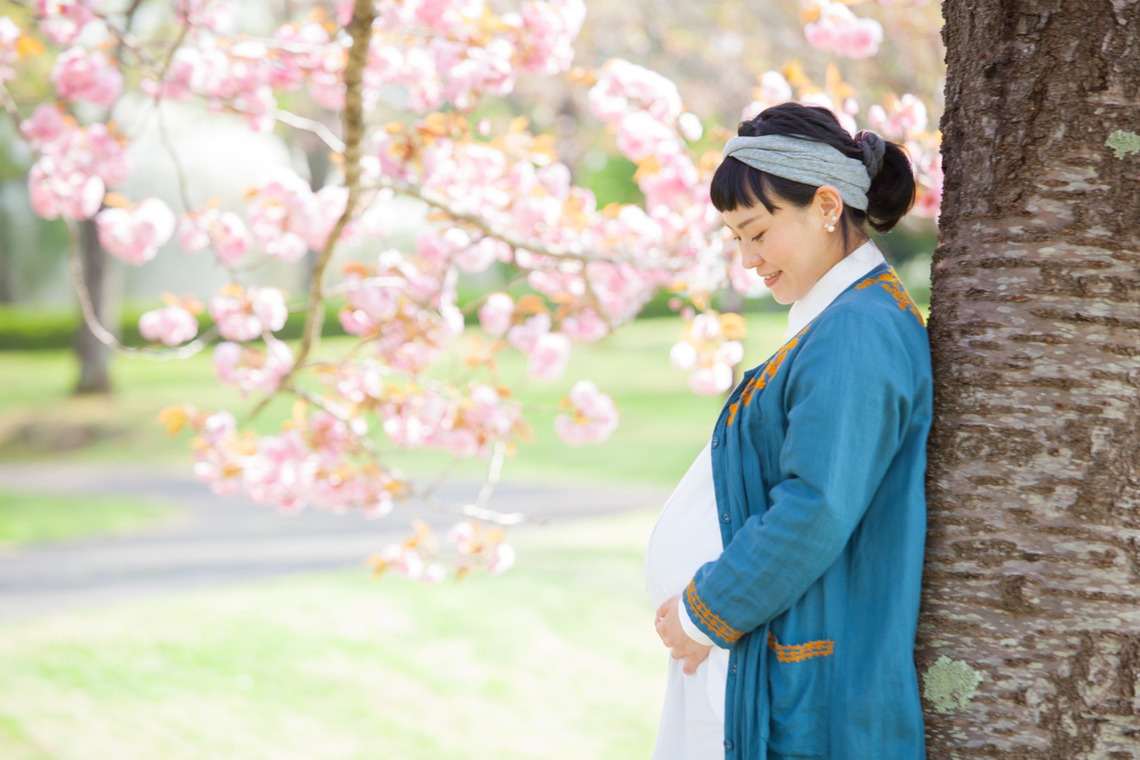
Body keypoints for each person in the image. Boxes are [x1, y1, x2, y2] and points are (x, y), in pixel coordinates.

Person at [644, 101, 932, 760]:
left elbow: (816, 503)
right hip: (770, 661)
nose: (749, 260)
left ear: (828, 206)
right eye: (736, 239)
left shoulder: (858, 331)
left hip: (805, 684)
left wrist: (706, 611)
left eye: (756, 232)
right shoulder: (837, 321)